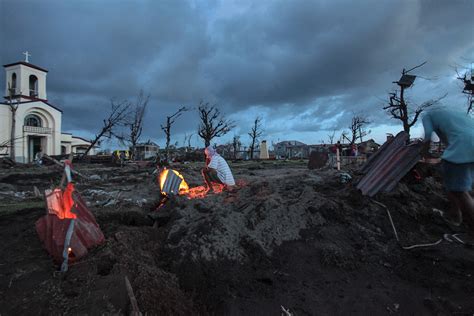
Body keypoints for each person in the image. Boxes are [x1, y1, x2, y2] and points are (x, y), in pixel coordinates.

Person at [422, 108, 474, 232]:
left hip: (462, 147)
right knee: (453, 186)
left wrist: (423, 154)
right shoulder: (458, 114)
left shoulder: (428, 115)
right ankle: (456, 217)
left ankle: (470, 225)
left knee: (461, 192)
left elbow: (428, 135)